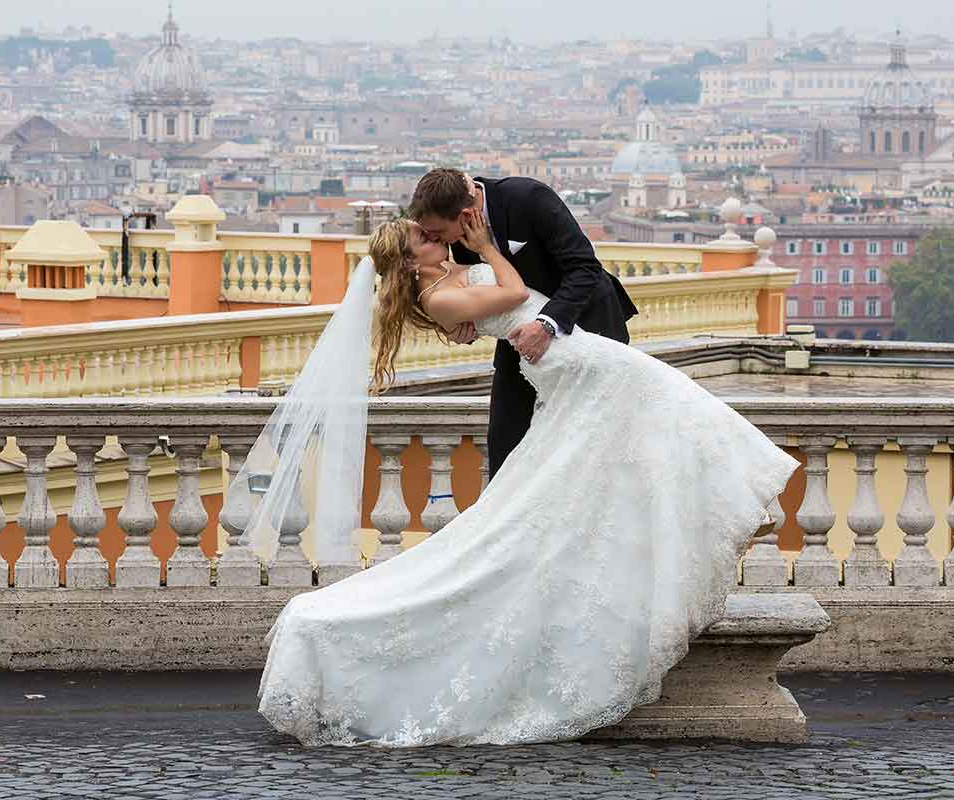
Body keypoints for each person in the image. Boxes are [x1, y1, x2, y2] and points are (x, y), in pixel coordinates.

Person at [248, 209, 800, 748]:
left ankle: (735, 509)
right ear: (410, 260)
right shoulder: (439, 293)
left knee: (650, 435)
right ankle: (739, 507)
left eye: (429, 228)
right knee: (668, 415)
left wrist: (476, 261)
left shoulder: (447, 275)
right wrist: (487, 249)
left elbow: (507, 293)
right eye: (423, 236)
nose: (435, 235)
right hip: (570, 360)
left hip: (574, 353)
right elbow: (513, 296)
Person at [409, 168, 637, 478]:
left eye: (437, 233)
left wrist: (546, 325)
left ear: (466, 215)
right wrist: (458, 326)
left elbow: (585, 268)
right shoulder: (454, 229)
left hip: (586, 324)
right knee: (505, 444)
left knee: (594, 443)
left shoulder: (528, 198)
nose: (436, 240)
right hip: (518, 342)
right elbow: (466, 289)